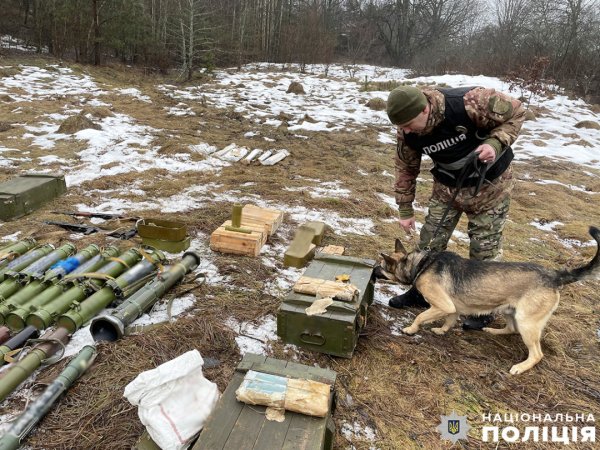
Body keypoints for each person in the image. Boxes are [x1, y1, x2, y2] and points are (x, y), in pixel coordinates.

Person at [385, 85, 526, 330]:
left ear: (425, 109)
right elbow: (406, 168)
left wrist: (495, 143)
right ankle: (422, 292)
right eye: (401, 126)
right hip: (447, 188)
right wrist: (405, 209)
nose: (405, 130)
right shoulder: (407, 132)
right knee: (430, 241)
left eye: (408, 123)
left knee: (484, 251)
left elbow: (517, 112)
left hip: (490, 186)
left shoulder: (469, 102)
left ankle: (484, 307)